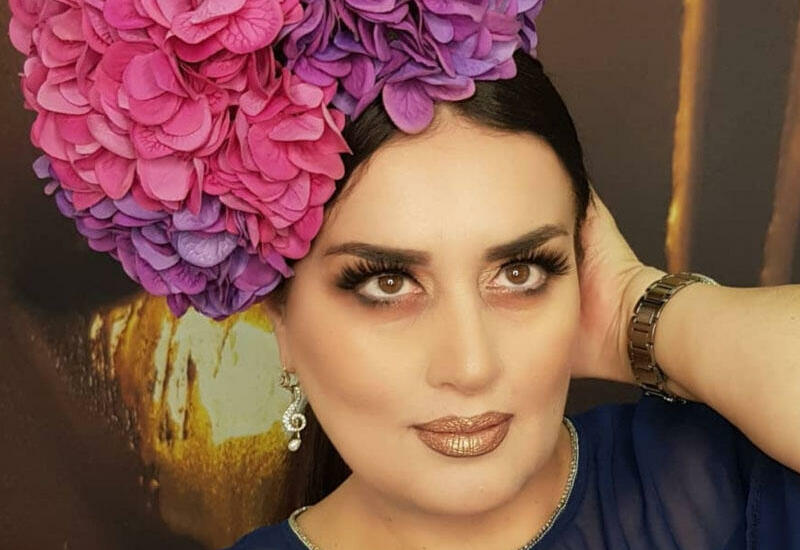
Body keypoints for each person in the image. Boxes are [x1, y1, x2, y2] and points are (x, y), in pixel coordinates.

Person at [222, 51, 800, 549]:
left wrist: (634, 306)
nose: (472, 366)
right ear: (281, 319)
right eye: (389, 284)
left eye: (520, 272)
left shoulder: (717, 484)